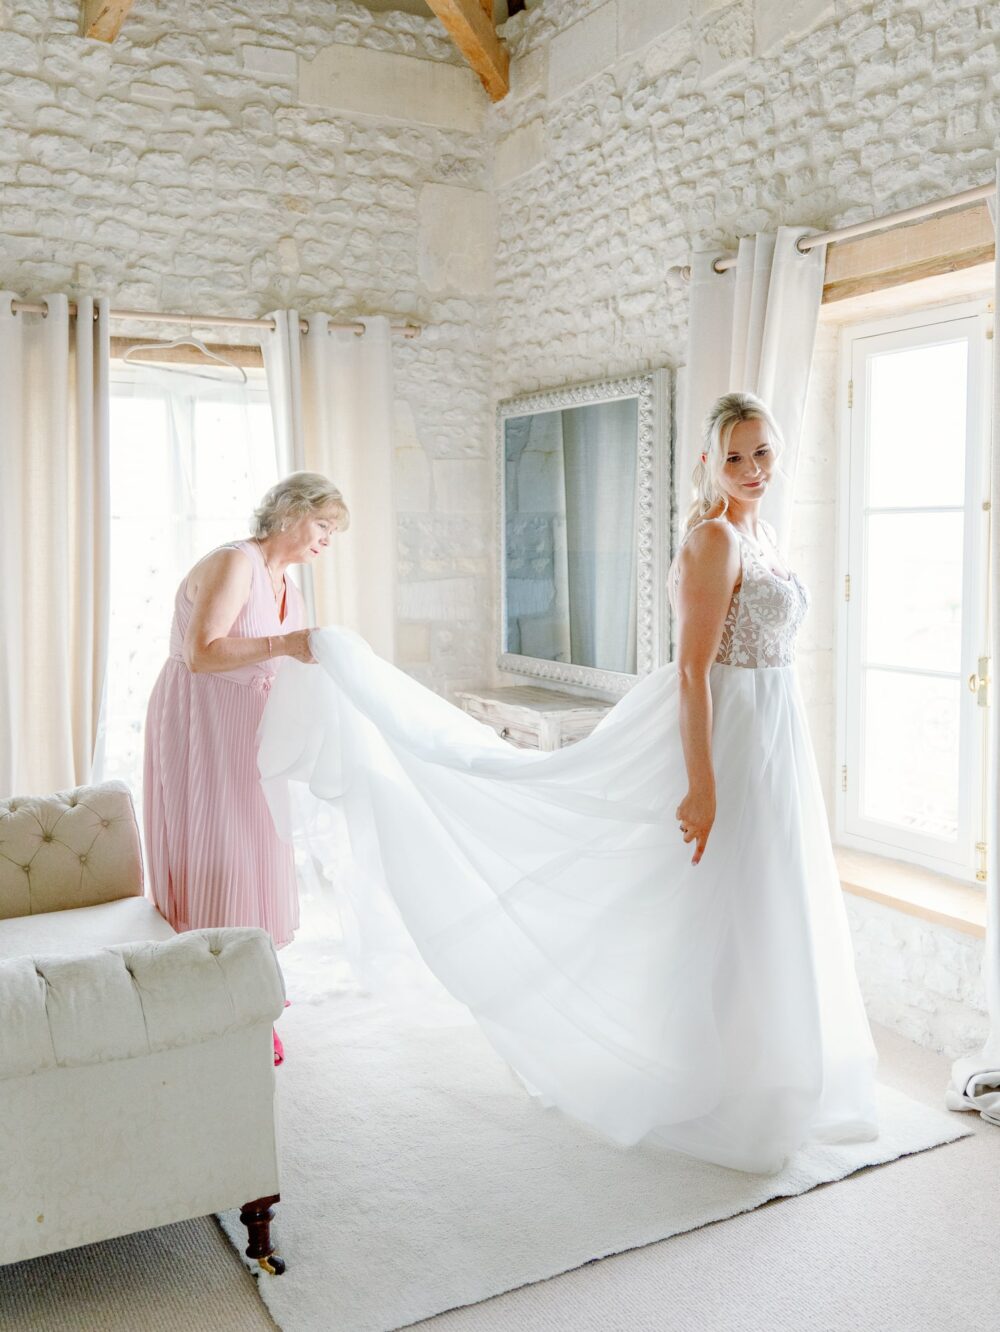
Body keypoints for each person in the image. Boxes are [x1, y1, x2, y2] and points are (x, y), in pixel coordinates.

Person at [258, 394, 878, 1172]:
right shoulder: (715, 539)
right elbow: (692, 670)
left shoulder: (766, 533)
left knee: (767, 898)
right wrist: (701, 784)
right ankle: (718, 1083)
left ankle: (772, 1075)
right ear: (708, 462)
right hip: (727, 735)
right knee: (724, 898)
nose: (753, 471)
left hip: (775, 734)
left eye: (763, 454)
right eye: (735, 457)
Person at [144, 471, 349, 1065]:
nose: (328, 540)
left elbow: (290, 661)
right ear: (289, 513)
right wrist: (286, 646)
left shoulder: (289, 581)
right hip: (202, 720)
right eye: (323, 524)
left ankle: (248, 992)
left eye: (334, 530)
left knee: (260, 849)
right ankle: (219, 997)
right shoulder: (237, 563)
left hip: (254, 729)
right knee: (220, 846)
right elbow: (201, 652)